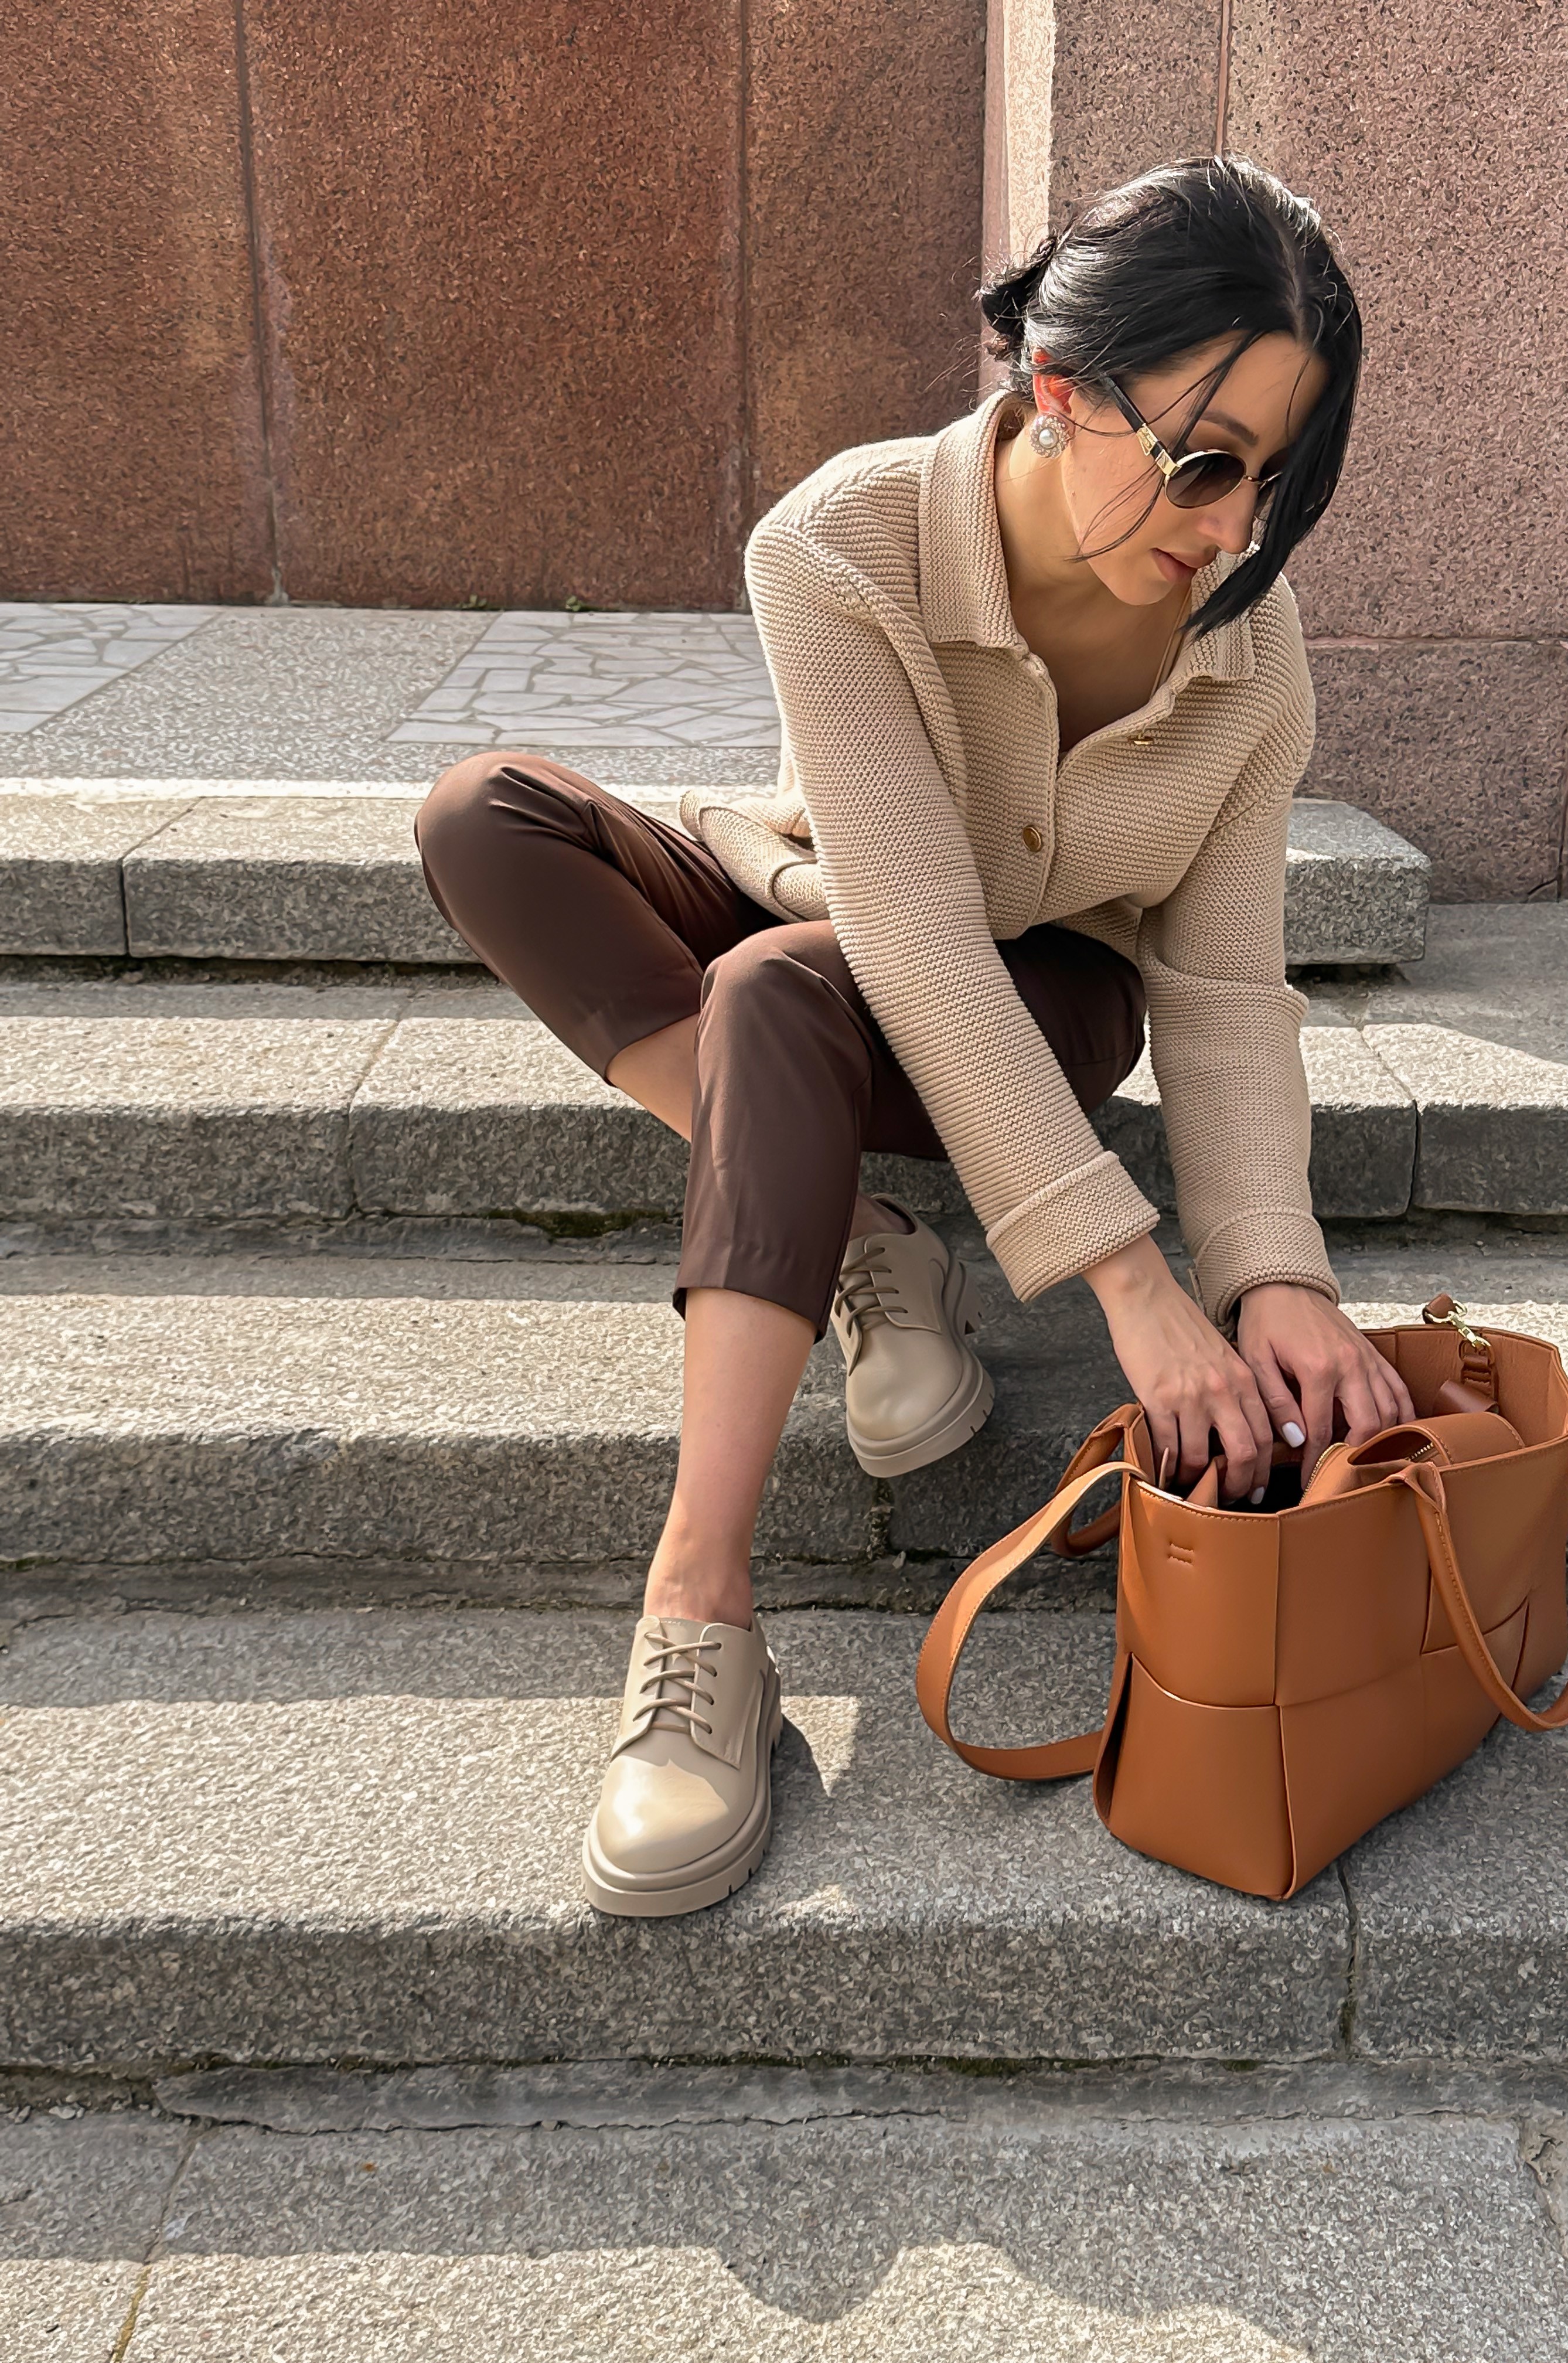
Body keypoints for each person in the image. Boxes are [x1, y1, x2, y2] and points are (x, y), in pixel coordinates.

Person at [415, 154, 1416, 1921]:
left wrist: (1273, 1276)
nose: (1232, 530)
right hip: (839, 909)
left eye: (1278, 482)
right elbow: (901, 925)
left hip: (1050, 996)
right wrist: (1132, 1286)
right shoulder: (843, 540)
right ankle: (857, 1238)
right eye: (1204, 463)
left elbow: (1223, 994)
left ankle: (695, 1597)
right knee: (485, 814)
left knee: (772, 995)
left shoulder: (1251, 662)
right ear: (1059, 389)